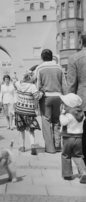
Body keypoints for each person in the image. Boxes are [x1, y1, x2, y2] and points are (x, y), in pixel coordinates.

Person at [34, 49, 67, 153]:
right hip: (58, 96)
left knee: (46, 121)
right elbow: (64, 84)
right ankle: (57, 145)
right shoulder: (59, 67)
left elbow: (38, 85)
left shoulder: (40, 68)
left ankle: (50, 148)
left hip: (46, 97)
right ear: (52, 56)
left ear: (42, 57)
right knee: (56, 121)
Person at [67, 32, 86, 165]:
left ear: (80, 42)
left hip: (82, 103)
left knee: (82, 136)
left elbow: (71, 85)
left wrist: (68, 107)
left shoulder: (74, 58)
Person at [59, 93, 86, 183]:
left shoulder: (69, 114)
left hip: (68, 138)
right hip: (78, 138)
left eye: (65, 104)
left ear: (69, 105)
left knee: (66, 155)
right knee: (78, 156)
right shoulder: (81, 113)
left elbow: (63, 122)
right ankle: (83, 172)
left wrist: (62, 114)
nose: (64, 105)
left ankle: (67, 174)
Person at [14, 71, 42, 155]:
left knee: (21, 129)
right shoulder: (32, 86)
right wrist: (42, 93)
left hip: (19, 110)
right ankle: (32, 145)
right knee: (31, 129)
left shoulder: (18, 84)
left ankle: (22, 147)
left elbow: (14, 82)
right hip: (29, 111)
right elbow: (37, 97)